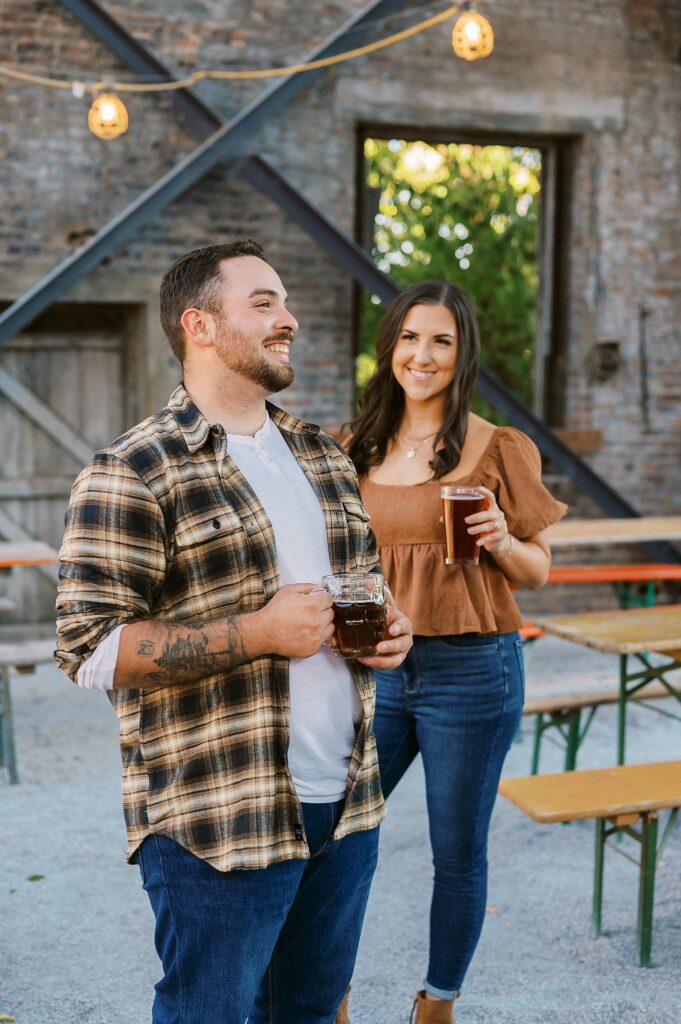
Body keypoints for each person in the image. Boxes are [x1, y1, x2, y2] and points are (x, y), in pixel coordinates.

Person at [54, 240, 412, 1024]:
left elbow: (362, 590)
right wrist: (257, 632)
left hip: (347, 803)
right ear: (200, 326)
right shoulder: (133, 469)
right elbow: (90, 651)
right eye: (263, 304)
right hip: (217, 816)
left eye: (283, 303)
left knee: (312, 1013)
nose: (288, 319)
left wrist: (390, 632)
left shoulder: (323, 456)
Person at [344, 280, 566, 1024]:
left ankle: (436, 1002)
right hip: (373, 669)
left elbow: (537, 570)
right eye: (410, 337)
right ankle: (323, 992)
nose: (422, 354)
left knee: (457, 852)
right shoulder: (352, 446)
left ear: (461, 351)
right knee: (335, 835)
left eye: (440, 339)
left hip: (473, 669)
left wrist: (502, 538)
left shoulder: (496, 447)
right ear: (390, 348)